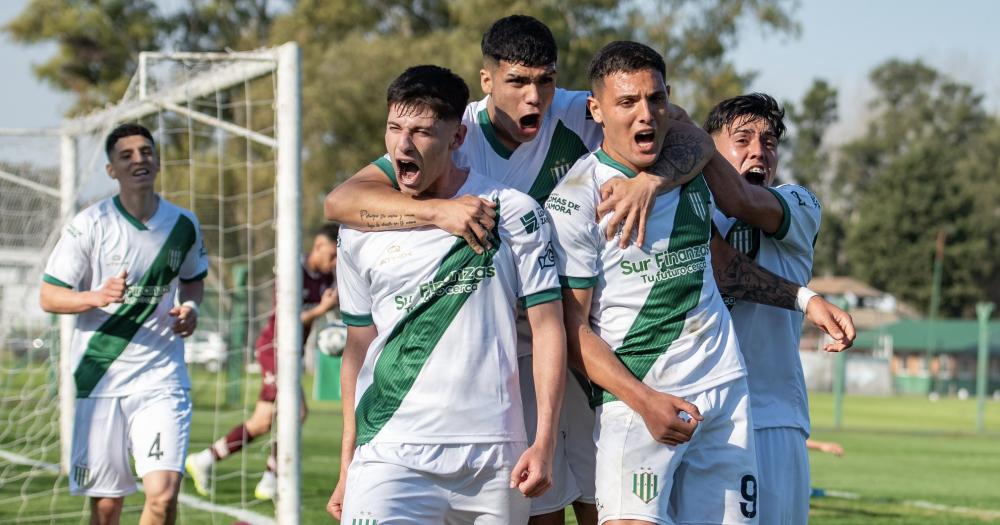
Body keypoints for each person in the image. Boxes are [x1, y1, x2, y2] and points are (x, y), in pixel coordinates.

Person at [323, 16, 710, 525]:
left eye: (545, 80)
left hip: (579, 338)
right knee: (540, 507)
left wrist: (651, 182)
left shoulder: (576, 113)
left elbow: (689, 135)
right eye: (518, 82)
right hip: (506, 365)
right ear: (487, 82)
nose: (535, 97)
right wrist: (439, 211)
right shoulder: (449, 132)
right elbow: (342, 201)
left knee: (601, 501)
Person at [548, 41, 855, 525]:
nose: (645, 114)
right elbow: (571, 330)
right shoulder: (575, 199)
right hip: (639, 400)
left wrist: (804, 297)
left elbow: (724, 265)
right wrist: (644, 401)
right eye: (627, 102)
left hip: (726, 395)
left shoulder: (688, 173)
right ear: (597, 110)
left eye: (655, 100)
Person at [326, 64, 566, 524]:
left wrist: (544, 439)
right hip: (389, 448)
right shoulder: (358, 229)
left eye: (421, 131)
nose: (403, 144)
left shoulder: (514, 212)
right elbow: (358, 347)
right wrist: (346, 465)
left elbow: (548, 328)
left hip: (494, 456)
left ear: (457, 138)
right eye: (395, 128)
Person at [39, 123, 209, 525]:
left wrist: (191, 309)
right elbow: (49, 295)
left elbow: (193, 282)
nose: (139, 160)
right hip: (100, 379)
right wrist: (94, 296)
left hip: (161, 379)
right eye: (127, 155)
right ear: (111, 169)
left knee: (164, 495)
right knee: (107, 507)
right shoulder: (91, 223)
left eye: (146, 152)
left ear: (158, 160)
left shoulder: (183, 224)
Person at [700, 92, 836, 525]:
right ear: (714, 146)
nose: (759, 150)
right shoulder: (683, 206)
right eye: (742, 139)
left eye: (769, 141)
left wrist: (684, 151)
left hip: (771, 419)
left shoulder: (799, 203)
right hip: (698, 414)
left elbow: (741, 202)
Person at [185, 225, 340, 500]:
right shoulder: (293, 271)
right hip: (274, 350)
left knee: (260, 423)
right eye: (332, 254)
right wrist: (321, 310)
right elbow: (289, 319)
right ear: (318, 246)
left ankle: (204, 460)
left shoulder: (329, 278)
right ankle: (271, 477)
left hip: (294, 354)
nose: (335, 262)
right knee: (298, 412)